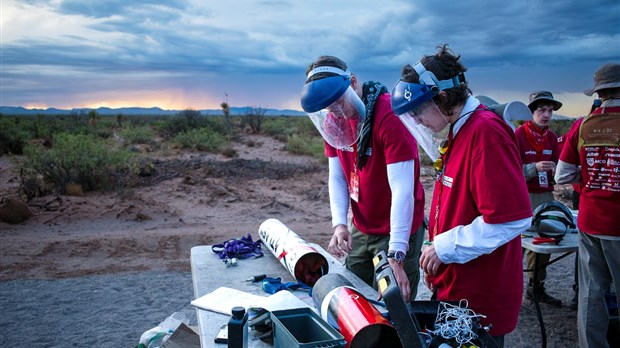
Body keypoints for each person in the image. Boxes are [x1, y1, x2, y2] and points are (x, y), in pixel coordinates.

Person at [390, 45, 532, 347]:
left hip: (480, 297)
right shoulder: (461, 130)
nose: (416, 120)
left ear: (442, 98)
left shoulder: (486, 134)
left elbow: (512, 219)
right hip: (458, 291)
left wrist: (444, 247)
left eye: (417, 110)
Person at [300, 56, 426, 302]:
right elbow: (337, 177)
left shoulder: (389, 115)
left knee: (395, 302)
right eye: (329, 108)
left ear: (353, 83)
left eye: (339, 103)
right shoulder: (334, 120)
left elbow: (403, 189)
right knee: (355, 297)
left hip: (398, 227)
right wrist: (340, 224)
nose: (337, 112)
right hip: (362, 224)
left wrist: (397, 253)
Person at [555, 62, 620, 348]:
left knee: (591, 292)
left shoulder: (582, 125)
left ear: (600, 92)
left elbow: (563, 175)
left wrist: (588, 184)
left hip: (591, 220)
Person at [514, 90, 564, 307]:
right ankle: (511, 291)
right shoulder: (518, 135)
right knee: (518, 244)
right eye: (542, 110)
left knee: (545, 240)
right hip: (523, 195)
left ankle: (536, 288)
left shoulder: (552, 138)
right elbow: (510, 169)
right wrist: (534, 168)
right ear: (531, 112)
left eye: (550, 111)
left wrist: (556, 171)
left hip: (546, 193)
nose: (546, 115)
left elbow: (560, 166)